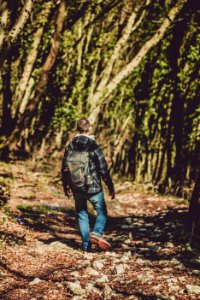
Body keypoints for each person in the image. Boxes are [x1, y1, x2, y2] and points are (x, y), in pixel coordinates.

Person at [61, 118, 115, 252]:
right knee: (102, 212)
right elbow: (103, 168)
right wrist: (110, 186)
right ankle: (97, 232)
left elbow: (64, 168)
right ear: (89, 128)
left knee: (82, 214)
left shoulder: (70, 145)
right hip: (94, 187)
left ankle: (86, 246)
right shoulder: (93, 145)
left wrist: (65, 186)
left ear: (77, 128)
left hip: (76, 187)